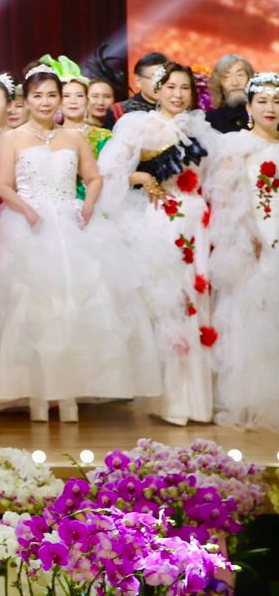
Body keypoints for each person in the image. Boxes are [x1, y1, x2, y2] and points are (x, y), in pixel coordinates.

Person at [0, 67, 158, 422]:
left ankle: (69, 395)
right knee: (32, 308)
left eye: (52, 95)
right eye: (38, 96)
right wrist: (28, 211)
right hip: (27, 225)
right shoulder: (13, 138)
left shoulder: (74, 137)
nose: (45, 102)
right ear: (27, 100)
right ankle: (38, 394)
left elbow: (93, 178)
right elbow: (3, 186)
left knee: (76, 308)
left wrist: (88, 205)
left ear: (60, 99)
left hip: (69, 222)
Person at [98, 61, 217, 426]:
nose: (177, 95)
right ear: (156, 90)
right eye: (170, 87)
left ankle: (199, 402)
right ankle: (171, 402)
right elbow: (109, 171)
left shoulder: (201, 128)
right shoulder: (139, 125)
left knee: (198, 304)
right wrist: (143, 177)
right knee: (167, 304)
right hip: (161, 221)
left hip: (197, 223)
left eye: (184, 88)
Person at [205, 72, 279, 430]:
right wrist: (246, 233)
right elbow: (223, 198)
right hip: (251, 242)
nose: (270, 108)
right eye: (262, 101)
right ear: (249, 106)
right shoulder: (235, 146)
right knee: (250, 322)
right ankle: (250, 401)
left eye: (277, 101)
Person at [106, 52, 168, 128]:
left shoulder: (176, 109)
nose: (160, 83)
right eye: (155, 78)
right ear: (137, 80)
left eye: (164, 78)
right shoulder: (119, 111)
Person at [207, 54, 255, 134]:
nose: (235, 83)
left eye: (240, 75)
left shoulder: (263, 114)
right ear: (218, 83)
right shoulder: (211, 121)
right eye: (227, 77)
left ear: (250, 78)